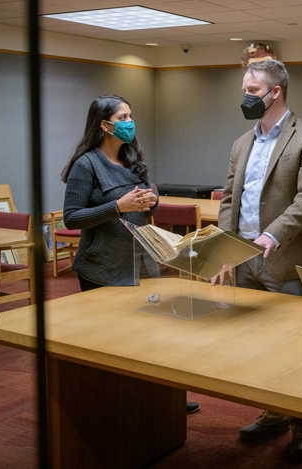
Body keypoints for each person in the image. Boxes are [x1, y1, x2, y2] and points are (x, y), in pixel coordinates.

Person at [215, 59, 302, 459]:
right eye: (245, 90)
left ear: (275, 92)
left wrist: (273, 234)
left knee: (295, 348)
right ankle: (273, 413)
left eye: (252, 91)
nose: (246, 97)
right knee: (259, 345)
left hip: (288, 261)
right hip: (245, 259)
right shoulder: (240, 143)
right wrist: (223, 248)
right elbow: (230, 198)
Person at [61, 95, 203, 413]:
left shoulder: (133, 158)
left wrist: (150, 201)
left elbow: (143, 210)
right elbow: (71, 217)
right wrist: (117, 206)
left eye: (130, 116)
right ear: (105, 125)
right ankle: (116, 406)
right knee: (113, 343)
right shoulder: (86, 165)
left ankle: (162, 400)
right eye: (122, 117)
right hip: (103, 268)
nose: (129, 122)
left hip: (142, 264)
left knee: (154, 336)